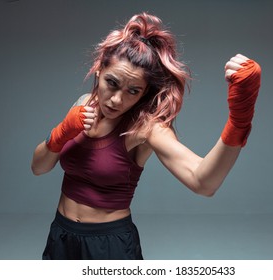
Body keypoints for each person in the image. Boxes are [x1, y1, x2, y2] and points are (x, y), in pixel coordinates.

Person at [31, 12, 261, 260]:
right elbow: (38, 167)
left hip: (110, 245)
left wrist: (239, 119)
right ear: (99, 70)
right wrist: (61, 133)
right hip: (62, 235)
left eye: (133, 91)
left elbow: (203, 182)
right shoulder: (83, 104)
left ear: (143, 93)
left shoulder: (145, 127)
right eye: (112, 82)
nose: (117, 99)